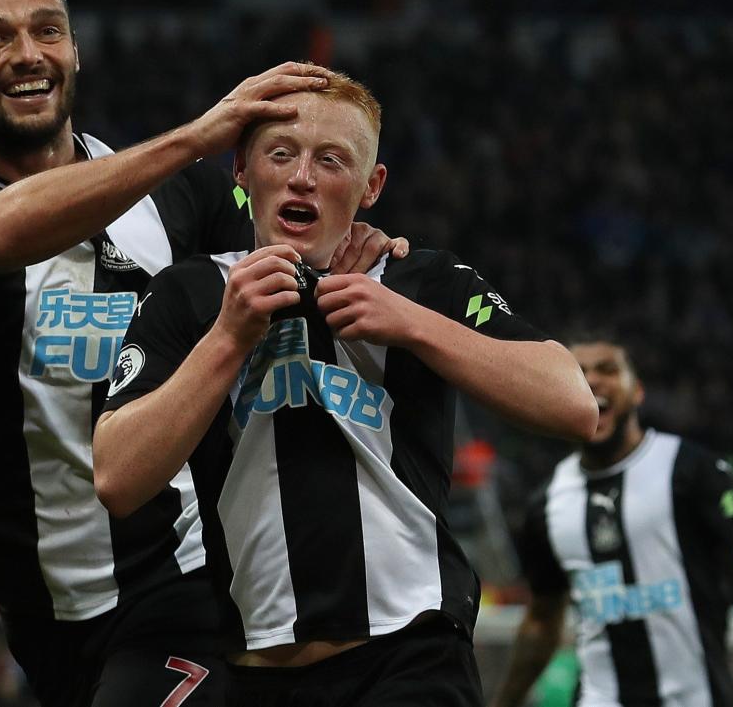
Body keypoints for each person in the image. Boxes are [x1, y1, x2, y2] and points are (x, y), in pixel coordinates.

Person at [0, 0, 403, 707]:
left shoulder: (184, 199)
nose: (27, 54)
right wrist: (193, 136)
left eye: (47, 31)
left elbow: (296, 247)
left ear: (74, 51)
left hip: (180, 580)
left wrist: (359, 248)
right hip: (39, 603)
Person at [92, 69, 598, 706]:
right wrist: (228, 336)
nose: (303, 176)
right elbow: (117, 477)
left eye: (332, 160)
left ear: (371, 187)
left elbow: (574, 404)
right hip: (254, 670)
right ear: (241, 171)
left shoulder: (422, 280)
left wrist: (412, 323)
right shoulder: (188, 295)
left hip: (413, 656)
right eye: (281, 154)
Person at [488, 337, 733, 707]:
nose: (592, 380)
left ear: (637, 391)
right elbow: (543, 619)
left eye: (607, 370)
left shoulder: (692, 470)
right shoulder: (545, 503)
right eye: (579, 372)